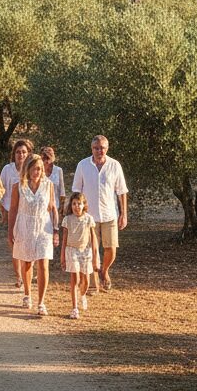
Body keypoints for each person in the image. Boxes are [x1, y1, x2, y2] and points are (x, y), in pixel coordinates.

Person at [72, 135, 128, 293]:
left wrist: (123, 214)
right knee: (90, 250)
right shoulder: (83, 165)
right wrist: (76, 212)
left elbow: (122, 191)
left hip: (110, 214)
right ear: (92, 149)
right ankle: (93, 283)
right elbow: (76, 190)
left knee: (111, 248)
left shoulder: (114, 165)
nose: (99, 151)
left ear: (107, 148)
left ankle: (104, 270)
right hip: (89, 216)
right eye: (96, 148)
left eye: (102, 148)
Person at [8, 153, 59, 315]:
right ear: (27, 169)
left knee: (43, 263)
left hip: (44, 227)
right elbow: (13, 209)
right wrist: (10, 230)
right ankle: (27, 293)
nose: (37, 172)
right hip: (25, 226)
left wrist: (56, 229)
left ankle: (41, 302)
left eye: (40, 169)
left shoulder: (48, 185)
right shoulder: (18, 186)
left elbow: (52, 207)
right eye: (34, 169)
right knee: (27, 262)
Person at [0, 138, 34, 287]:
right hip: (12, 211)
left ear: (28, 154)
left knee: (29, 243)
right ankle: (19, 276)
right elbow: (1, 190)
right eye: (18, 152)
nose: (21, 155)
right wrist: (3, 210)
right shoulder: (7, 169)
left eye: (24, 152)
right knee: (14, 243)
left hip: (29, 212)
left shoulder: (33, 169)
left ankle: (28, 273)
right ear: (14, 154)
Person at [60, 192, 99, 319]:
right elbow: (64, 239)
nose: (77, 206)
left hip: (85, 251)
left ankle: (82, 295)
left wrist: (95, 256)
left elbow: (93, 239)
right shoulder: (67, 220)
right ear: (71, 205)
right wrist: (62, 256)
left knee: (85, 280)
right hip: (72, 250)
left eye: (79, 204)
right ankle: (74, 308)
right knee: (75, 279)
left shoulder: (88, 219)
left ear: (84, 205)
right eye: (74, 204)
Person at [40, 145, 66, 217]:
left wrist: (61, 210)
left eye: (48, 157)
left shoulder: (58, 170)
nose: (47, 160)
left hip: (55, 207)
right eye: (44, 158)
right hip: (41, 208)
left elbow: (62, 192)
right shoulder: (38, 171)